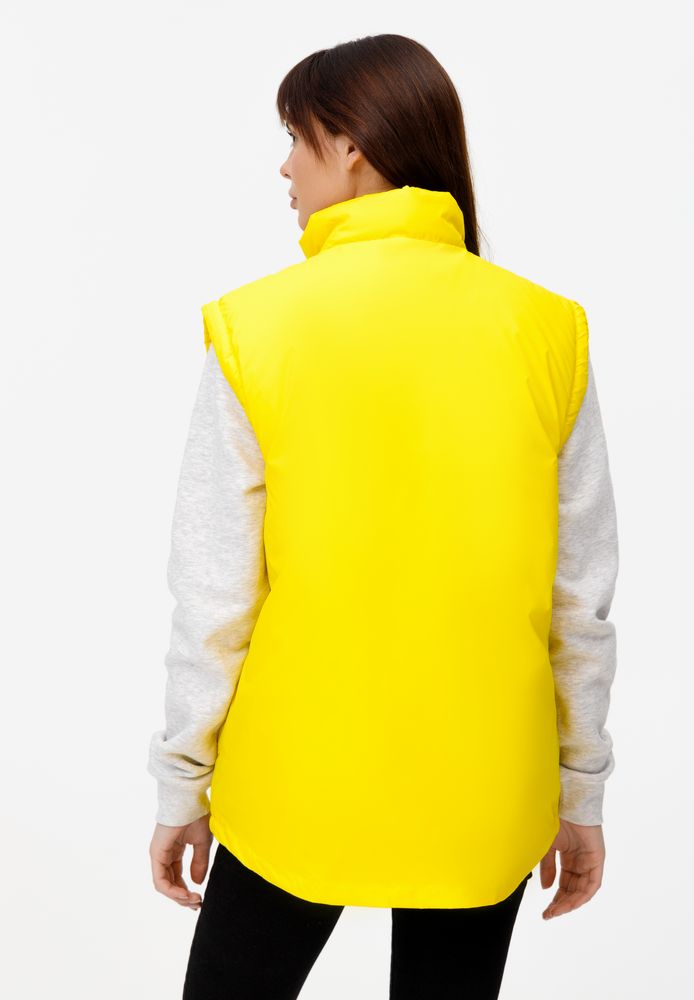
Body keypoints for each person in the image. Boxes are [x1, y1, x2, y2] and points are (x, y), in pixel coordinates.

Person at [147, 33, 619, 1000]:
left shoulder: (256, 328)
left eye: (296, 137)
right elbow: (579, 600)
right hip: (487, 790)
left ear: (353, 146)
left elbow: (214, 597)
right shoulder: (545, 330)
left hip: (298, 784)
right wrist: (579, 792)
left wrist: (181, 782)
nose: (285, 167)